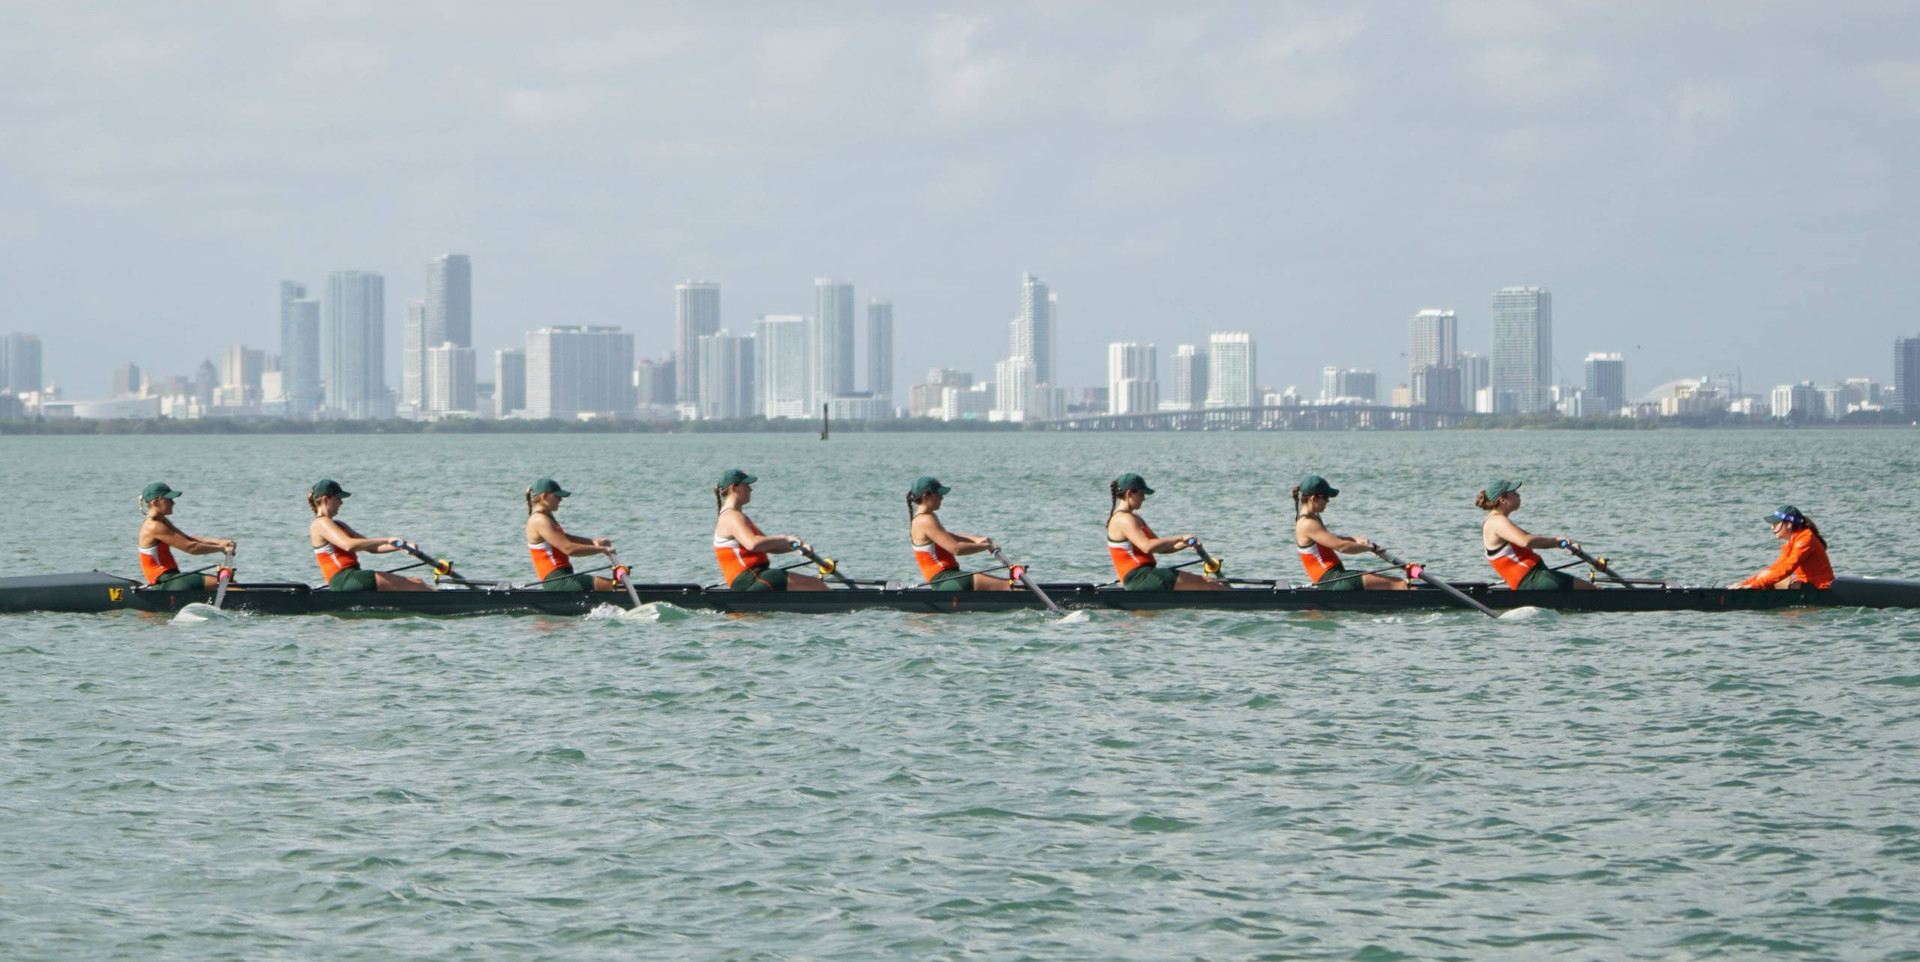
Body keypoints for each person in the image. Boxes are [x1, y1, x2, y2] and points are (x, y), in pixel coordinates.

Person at [306, 479, 432, 592]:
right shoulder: (320, 523)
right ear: (324, 499)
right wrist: (387, 539)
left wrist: (402, 546)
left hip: (352, 577)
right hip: (345, 579)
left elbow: (373, 547)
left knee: (415, 581)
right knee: (418, 585)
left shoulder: (339, 525)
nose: (341, 503)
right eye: (338, 498)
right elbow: (348, 545)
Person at [712, 469, 827, 591]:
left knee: (810, 587)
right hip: (751, 579)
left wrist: (796, 547)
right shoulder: (731, 516)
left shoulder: (736, 516)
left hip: (754, 578)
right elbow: (753, 544)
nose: (751, 490)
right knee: (817, 585)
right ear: (733, 487)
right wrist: (786, 538)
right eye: (746, 485)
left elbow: (768, 545)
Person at [1105, 473, 1225, 591]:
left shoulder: (1134, 517)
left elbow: (1160, 547)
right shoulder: (1124, 519)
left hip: (1145, 576)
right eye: (1142, 494)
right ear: (1129, 493)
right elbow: (1147, 547)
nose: (1144, 498)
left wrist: (1185, 543)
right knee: (1207, 583)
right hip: (1139, 578)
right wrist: (1180, 537)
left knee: (1206, 583)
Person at [1292, 475, 1408, 590]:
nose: (1328, 501)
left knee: (1388, 584)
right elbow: (1342, 547)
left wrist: (1357, 540)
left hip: (1337, 577)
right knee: (1399, 584)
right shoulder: (1307, 524)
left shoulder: (1314, 518)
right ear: (1314, 498)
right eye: (1326, 498)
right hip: (1331, 581)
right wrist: (1370, 548)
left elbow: (1332, 539)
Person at [1477, 479, 1596, 590]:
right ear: (1503, 499)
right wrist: (1557, 541)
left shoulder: (1495, 520)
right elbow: (1526, 541)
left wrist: (1564, 543)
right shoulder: (1497, 521)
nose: (1518, 495)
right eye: (1514, 492)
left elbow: (1530, 539)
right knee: (1594, 592)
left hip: (1533, 578)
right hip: (1532, 578)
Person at [908, 476, 1017, 591]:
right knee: (1012, 588)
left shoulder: (923, 517)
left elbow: (946, 536)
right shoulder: (925, 520)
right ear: (926, 496)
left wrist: (975, 539)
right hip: (946, 580)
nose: (942, 497)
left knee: (1012, 587)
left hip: (950, 578)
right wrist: (987, 546)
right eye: (938, 494)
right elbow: (956, 549)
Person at [136, 481, 237, 591]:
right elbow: (190, 547)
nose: (173, 503)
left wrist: (219, 542)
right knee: (231, 586)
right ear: (156, 502)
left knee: (231, 584)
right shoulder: (153, 526)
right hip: (163, 581)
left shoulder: (162, 521)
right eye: (169, 499)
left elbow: (187, 539)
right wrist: (220, 549)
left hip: (172, 578)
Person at [524, 478, 621, 591]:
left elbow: (563, 537)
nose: (561, 499)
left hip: (565, 577)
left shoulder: (546, 516)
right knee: (617, 587)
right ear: (545, 496)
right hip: (559, 581)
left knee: (617, 586)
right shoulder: (539, 520)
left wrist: (593, 542)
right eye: (557, 496)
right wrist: (602, 549)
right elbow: (568, 548)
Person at [1731, 505, 1834, 590]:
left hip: (1820, 588)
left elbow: (1787, 569)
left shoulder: (1806, 539)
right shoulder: (1792, 543)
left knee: (1767, 577)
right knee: (1766, 574)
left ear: (1788, 524)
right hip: (1807, 586)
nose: (1772, 527)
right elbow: (1776, 568)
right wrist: (1742, 584)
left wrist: (1752, 586)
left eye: (1776, 523)